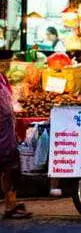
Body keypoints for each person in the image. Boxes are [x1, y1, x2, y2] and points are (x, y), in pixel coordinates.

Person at [1, 73, 32, 219]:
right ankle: (10, 206)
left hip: (6, 131)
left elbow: (9, 101)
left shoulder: (2, 77)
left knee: (10, 167)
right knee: (10, 167)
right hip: (3, 131)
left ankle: (11, 205)